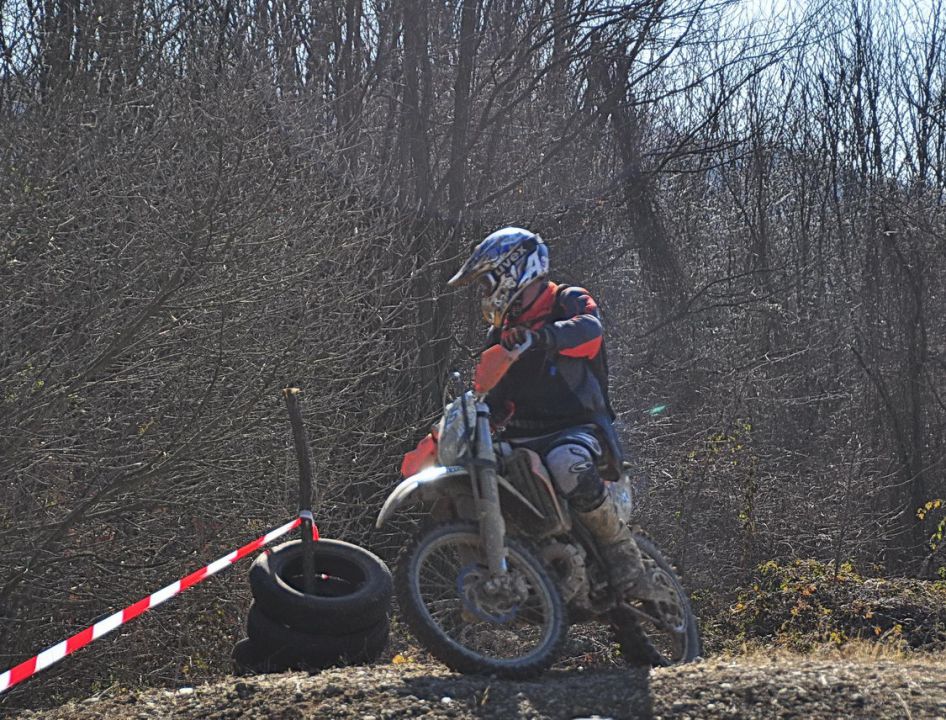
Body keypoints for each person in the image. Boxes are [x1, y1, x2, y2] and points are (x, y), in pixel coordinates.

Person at [447, 226, 651, 598]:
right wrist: (478, 416)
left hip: (576, 428)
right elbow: (495, 394)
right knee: (475, 471)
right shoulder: (502, 337)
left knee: (565, 462)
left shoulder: (568, 300)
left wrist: (543, 338)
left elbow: (590, 332)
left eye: (487, 282)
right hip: (523, 436)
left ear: (512, 270)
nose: (485, 293)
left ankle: (622, 549)